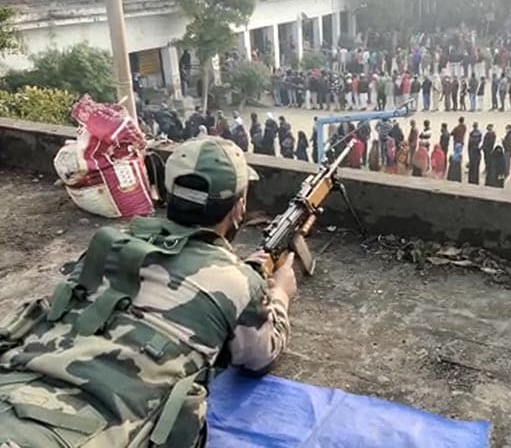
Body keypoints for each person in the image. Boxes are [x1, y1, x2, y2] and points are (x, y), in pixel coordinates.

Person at [0, 137, 295, 447]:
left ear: (168, 194)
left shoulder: (111, 244)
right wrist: (281, 293)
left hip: (17, 388)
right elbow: (260, 358)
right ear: (239, 207)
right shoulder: (238, 282)